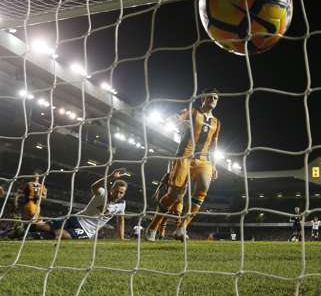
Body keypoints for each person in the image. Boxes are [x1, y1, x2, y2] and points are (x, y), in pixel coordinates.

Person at [145, 89, 221, 241]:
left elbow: (214, 144)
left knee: (204, 187)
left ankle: (182, 227)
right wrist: (180, 122)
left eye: (215, 98)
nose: (213, 99)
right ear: (203, 99)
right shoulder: (192, 111)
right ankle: (153, 227)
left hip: (204, 159)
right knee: (174, 195)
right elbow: (173, 117)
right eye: (210, 97)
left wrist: (214, 164)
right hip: (184, 156)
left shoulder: (217, 122)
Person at [34, 168, 129, 239]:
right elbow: (94, 186)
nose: (118, 194)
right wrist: (111, 177)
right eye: (116, 191)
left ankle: (32, 235)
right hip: (77, 218)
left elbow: (120, 221)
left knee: (62, 234)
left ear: (124, 194)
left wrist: (121, 238)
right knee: (42, 226)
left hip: (87, 230)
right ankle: (25, 229)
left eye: (121, 192)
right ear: (112, 189)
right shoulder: (103, 193)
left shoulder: (121, 205)